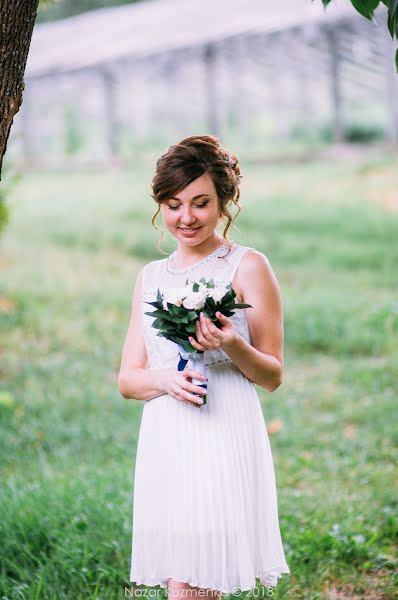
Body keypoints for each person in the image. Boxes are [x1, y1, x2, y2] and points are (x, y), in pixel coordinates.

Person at [118, 135, 290, 598]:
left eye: (200, 203)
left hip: (222, 432)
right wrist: (166, 379)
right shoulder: (150, 277)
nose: (186, 218)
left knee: (192, 582)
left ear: (224, 202)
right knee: (187, 575)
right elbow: (128, 379)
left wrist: (232, 344)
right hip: (167, 437)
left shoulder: (248, 266)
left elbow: (273, 375)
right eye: (174, 205)